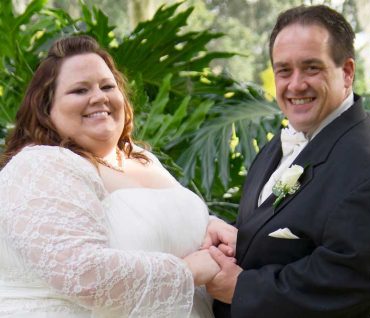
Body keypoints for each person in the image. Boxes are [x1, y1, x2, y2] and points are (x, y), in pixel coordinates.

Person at [0, 35, 237, 318]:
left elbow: (157, 221)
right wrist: (189, 272)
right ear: (45, 109)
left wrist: (209, 225)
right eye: (79, 90)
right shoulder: (40, 165)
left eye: (107, 86)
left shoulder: (140, 158)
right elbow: (81, 274)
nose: (99, 97)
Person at [208, 4, 370, 318]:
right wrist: (239, 239)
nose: (295, 84)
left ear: (347, 72)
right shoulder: (286, 140)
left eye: (311, 68)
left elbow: (355, 283)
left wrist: (241, 288)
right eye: (284, 70)